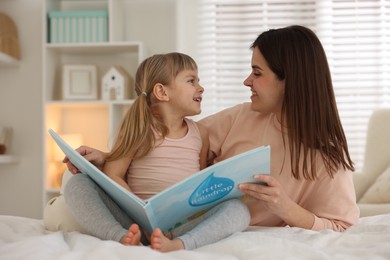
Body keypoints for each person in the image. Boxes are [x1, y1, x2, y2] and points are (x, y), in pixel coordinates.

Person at [64, 25, 359, 233]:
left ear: (290, 80)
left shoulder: (328, 156)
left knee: (236, 211)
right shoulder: (240, 116)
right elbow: (165, 145)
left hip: (211, 224)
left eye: (257, 73)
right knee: (75, 182)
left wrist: (286, 208)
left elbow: (341, 225)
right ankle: (119, 233)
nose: (246, 81)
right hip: (163, 213)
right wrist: (106, 158)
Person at [61, 52, 250, 252]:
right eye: (191, 81)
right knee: (77, 184)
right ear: (162, 92)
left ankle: (178, 243)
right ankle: (122, 236)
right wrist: (140, 210)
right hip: (136, 219)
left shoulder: (200, 133)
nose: (200, 88)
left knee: (239, 209)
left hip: (181, 223)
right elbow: (113, 174)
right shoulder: (139, 129)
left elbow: (199, 183)